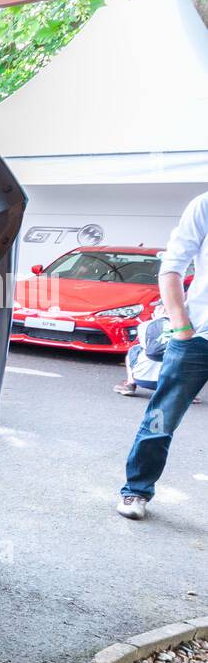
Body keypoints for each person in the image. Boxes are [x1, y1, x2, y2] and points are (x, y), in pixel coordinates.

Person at [117, 191, 208, 519]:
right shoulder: (204, 205)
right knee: (161, 417)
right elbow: (171, 268)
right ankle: (136, 491)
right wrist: (182, 326)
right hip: (197, 337)